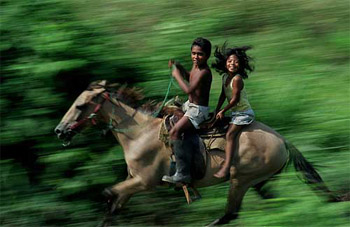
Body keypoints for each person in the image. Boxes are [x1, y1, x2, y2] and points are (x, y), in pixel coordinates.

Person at [162, 37, 212, 184]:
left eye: (200, 54)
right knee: (166, 114)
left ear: (207, 56)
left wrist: (176, 75)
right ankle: (173, 160)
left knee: (175, 131)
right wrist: (179, 67)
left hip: (198, 110)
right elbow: (190, 77)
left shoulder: (205, 72)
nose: (196, 57)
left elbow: (189, 89)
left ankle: (183, 173)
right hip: (189, 105)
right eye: (193, 53)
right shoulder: (196, 67)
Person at [212, 43, 255, 179]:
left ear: (240, 65)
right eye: (230, 61)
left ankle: (227, 167)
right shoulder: (225, 77)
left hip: (243, 113)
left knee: (230, 134)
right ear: (225, 63)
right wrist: (216, 110)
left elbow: (235, 100)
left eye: (236, 62)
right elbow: (223, 95)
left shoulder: (237, 79)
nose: (233, 64)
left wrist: (223, 110)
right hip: (235, 112)